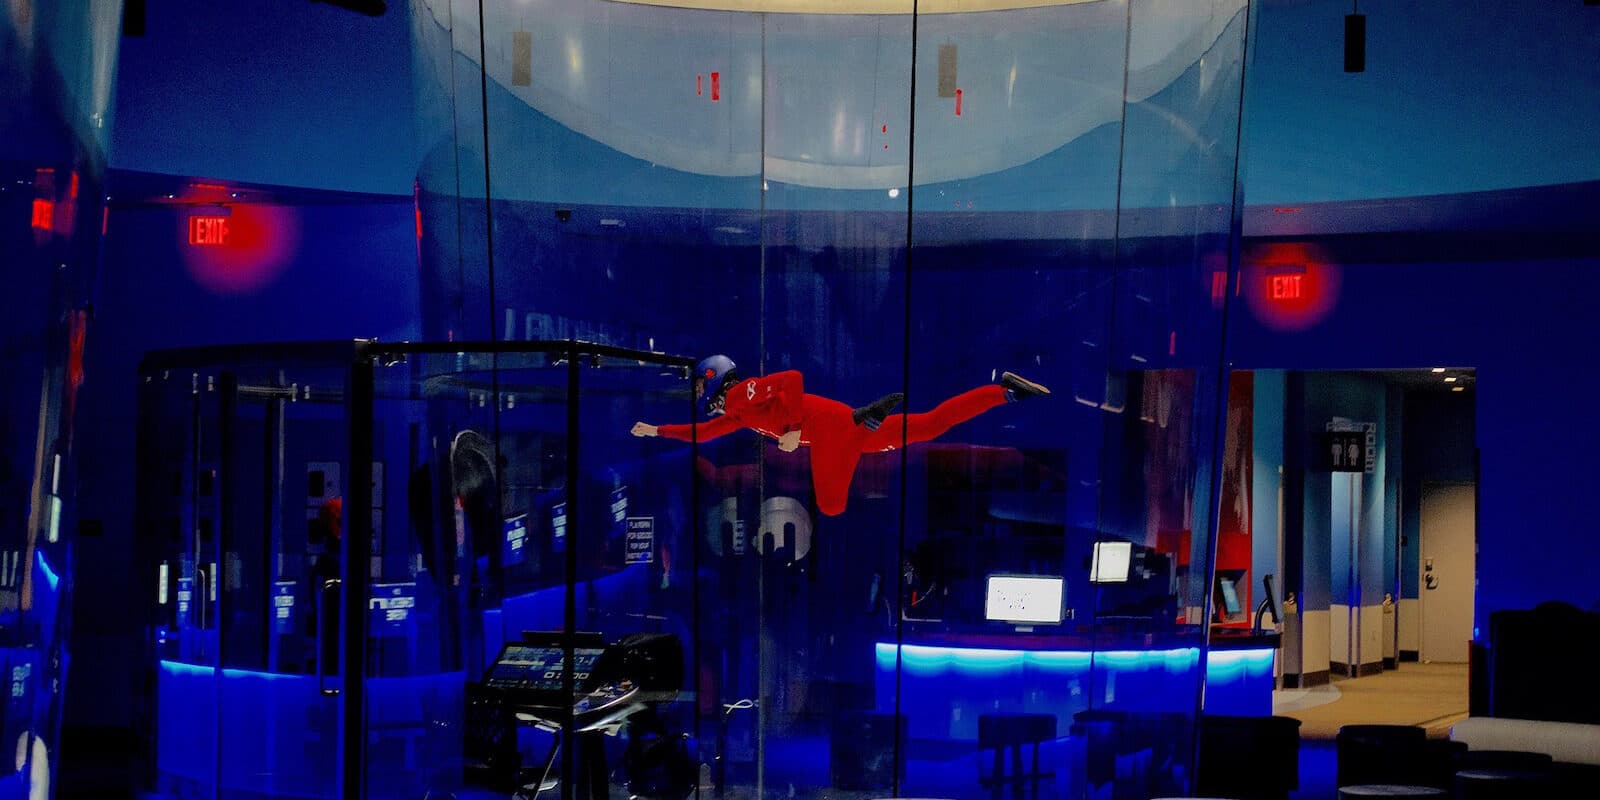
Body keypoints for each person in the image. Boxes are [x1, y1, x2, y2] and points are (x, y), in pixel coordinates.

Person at [631, 356, 1048, 516]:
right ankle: (1006, 391)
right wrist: (657, 430)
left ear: (715, 378)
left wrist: (792, 431)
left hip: (831, 431)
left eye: (702, 387)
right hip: (841, 427)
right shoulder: (739, 414)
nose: (701, 396)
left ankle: (865, 421)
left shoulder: (741, 393)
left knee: (831, 506)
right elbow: (703, 434)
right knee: (932, 425)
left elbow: (792, 378)